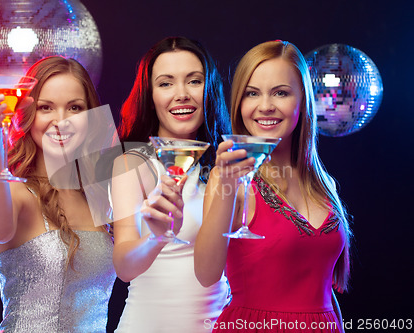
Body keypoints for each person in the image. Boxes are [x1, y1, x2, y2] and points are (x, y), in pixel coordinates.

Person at [194, 40, 352, 332]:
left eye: (280, 92)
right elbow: (206, 274)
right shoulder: (230, 178)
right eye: (252, 93)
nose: (265, 106)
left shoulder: (323, 182)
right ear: (239, 102)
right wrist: (227, 183)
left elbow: (325, 293)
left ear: (303, 100)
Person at [0, 56, 116, 332]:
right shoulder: (18, 193)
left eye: (75, 107)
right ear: (27, 114)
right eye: (45, 108)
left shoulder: (101, 197)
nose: (61, 121)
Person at [111, 36, 232, 332]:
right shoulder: (132, 164)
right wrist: (158, 237)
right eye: (166, 84)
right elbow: (124, 268)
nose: (182, 94)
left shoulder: (228, 165)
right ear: (150, 96)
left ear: (210, 91)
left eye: (194, 81)